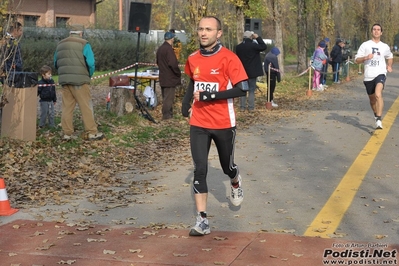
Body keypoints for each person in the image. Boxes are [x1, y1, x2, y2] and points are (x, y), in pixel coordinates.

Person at [181, 16, 248, 236]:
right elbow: (193, 81)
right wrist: (185, 104)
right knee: (200, 169)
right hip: (199, 121)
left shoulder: (229, 58)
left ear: (218, 33)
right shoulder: (192, 58)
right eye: (200, 29)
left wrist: (213, 95)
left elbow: (242, 89)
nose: (203, 33)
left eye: (209, 29)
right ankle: (202, 220)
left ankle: (235, 180)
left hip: (223, 123)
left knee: (226, 165)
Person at [54, 25, 103, 140]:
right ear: (80, 33)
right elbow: (90, 63)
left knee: (67, 107)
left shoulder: (60, 44)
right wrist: (88, 75)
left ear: (70, 33)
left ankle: (67, 133)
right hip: (80, 81)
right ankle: (92, 132)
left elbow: (56, 62)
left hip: (65, 80)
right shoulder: (84, 44)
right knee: (86, 106)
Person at [355, 23, 393, 130]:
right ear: (372, 31)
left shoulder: (384, 46)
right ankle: (376, 115)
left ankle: (379, 119)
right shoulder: (365, 45)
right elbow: (357, 60)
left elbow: (390, 57)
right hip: (368, 75)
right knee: (372, 100)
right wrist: (365, 58)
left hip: (380, 73)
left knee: (378, 94)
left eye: (378, 29)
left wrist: (389, 65)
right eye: (374, 29)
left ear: (381, 32)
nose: (376, 31)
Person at [235, 30, 267, 112]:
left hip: (242, 71)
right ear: (251, 37)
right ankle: (251, 107)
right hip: (253, 72)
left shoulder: (239, 47)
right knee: (251, 90)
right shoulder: (253, 46)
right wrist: (258, 38)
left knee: (243, 90)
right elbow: (263, 46)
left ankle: (242, 107)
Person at [156, 31, 181, 120]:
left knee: (165, 97)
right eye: (173, 38)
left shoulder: (160, 49)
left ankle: (168, 114)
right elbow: (173, 63)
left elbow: (158, 62)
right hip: (170, 78)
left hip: (163, 76)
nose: (173, 40)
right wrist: (178, 73)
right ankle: (167, 116)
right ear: (171, 39)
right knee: (168, 99)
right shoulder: (169, 49)